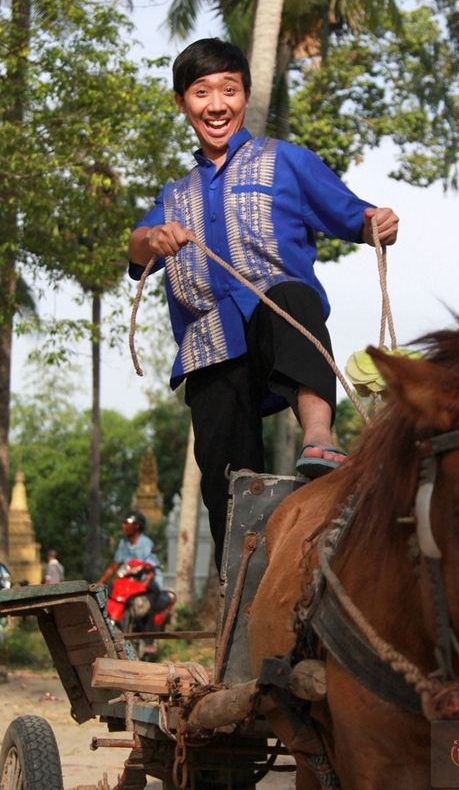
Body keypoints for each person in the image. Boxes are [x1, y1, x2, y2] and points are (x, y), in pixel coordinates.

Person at [128, 38, 399, 568]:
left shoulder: (288, 162)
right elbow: (136, 248)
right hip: (210, 348)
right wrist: (154, 236)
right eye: (202, 92)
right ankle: (239, 601)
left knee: (293, 296)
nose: (217, 104)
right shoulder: (173, 194)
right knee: (229, 487)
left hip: (279, 327)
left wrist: (378, 221)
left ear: (245, 96)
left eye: (228, 90)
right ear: (182, 103)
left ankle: (319, 435)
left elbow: (355, 216)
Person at [98, 510, 162, 590]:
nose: (123, 525)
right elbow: (114, 565)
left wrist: (142, 587)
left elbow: (151, 572)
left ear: (137, 526)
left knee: (140, 601)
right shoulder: (124, 542)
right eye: (123, 523)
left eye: (127, 523)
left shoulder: (146, 544)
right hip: (130, 582)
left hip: (149, 583)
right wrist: (100, 582)